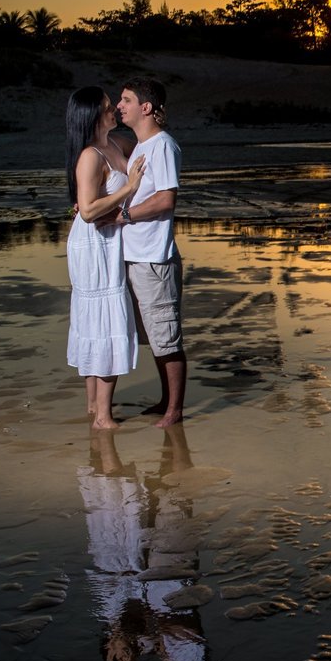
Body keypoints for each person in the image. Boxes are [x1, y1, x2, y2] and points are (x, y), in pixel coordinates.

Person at [65, 86, 146, 430]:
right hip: (94, 241)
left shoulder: (114, 145)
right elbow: (86, 212)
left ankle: (92, 406)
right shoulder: (90, 155)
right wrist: (128, 188)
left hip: (109, 239)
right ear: (93, 115)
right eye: (108, 107)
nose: (114, 109)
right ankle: (102, 416)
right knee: (104, 319)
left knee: (97, 320)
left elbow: (147, 146)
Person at [116, 78, 186, 427]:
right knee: (154, 337)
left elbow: (166, 199)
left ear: (146, 107)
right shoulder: (141, 147)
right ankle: (164, 401)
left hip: (155, 258)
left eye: (126, 100)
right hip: (136, 255)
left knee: (166, 334)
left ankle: (175, 410)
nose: (119, 106)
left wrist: (124, 214)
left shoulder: (163, 146)